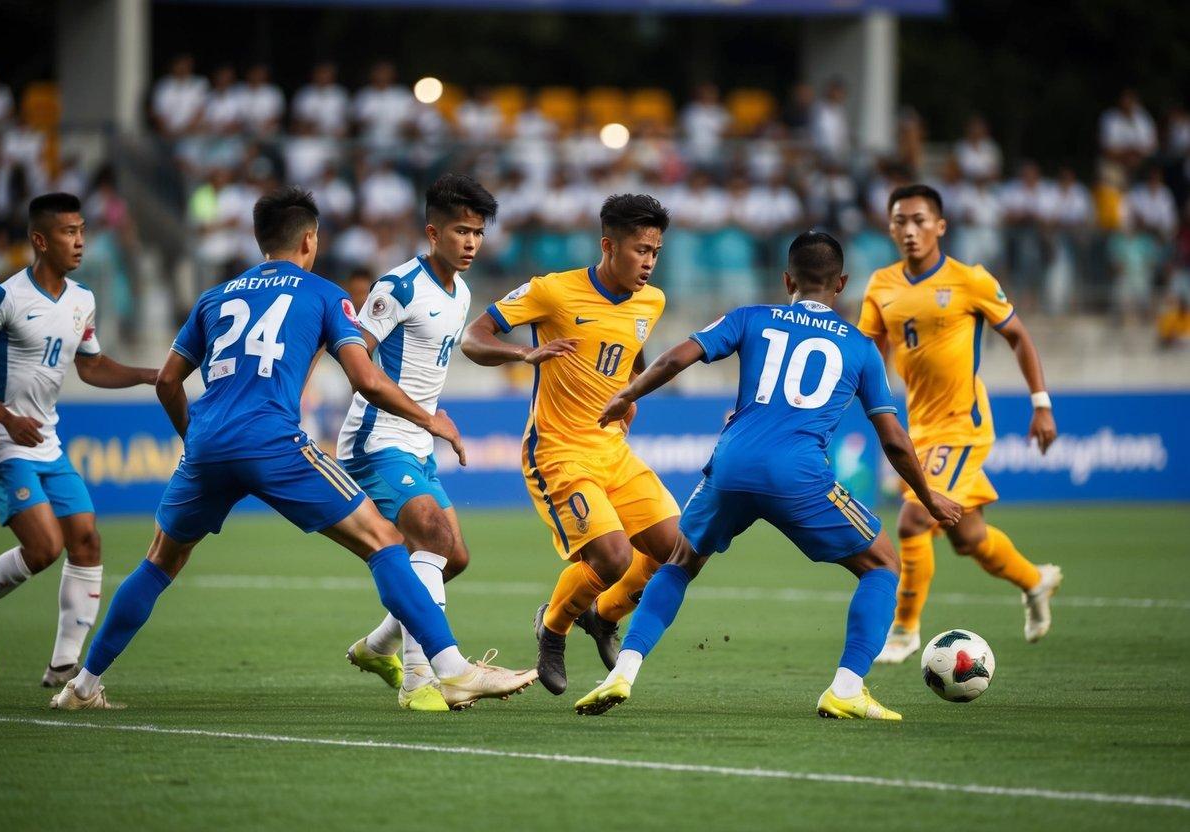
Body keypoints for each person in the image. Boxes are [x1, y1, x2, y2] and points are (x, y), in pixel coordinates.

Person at [48, 188, 537, 710]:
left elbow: (168, 381)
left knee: (158, 564)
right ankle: (448, 670)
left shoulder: (215, 297)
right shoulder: (326, 295)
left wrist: (193, 440)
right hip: (274, 441)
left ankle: (82, 686)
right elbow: (366, 380)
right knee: (383, 542)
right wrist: (431, 419)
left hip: (208, 441)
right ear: (310, 239)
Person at [574, 231, 962, 720]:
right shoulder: (862, 349)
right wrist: (929, 498)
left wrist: (627, 395)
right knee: (882, 563)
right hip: (798, 474)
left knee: (680, 560)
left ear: (786, 279)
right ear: (841, 283)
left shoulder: (751, 317)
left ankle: (622, 674)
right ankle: (846, 687)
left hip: (732, 463)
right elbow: (893, 439)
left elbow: (676, 357)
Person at [461, 194, 682, 697]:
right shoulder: (553, 292)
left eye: (656, 252)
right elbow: (474, 337)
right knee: (612, 557)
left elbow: (631, 348)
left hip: (612, 450)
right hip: (558, 451)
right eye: (640, 250)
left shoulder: (652, 300)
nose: (649, 262)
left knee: (675, 551)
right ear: (608, 245)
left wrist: (632, 392)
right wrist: (525, 351)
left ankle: (602, 617)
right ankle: (553, 629)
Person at [859, 184, 1062, 665]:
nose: (909, 231)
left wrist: (1042, 403)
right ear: (889, 228)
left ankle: (905, 630)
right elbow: (865, 356)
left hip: (963, 425)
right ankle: (1035, 581)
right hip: (919, 427)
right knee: (968, 539)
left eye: (919, 220)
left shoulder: (971, 280)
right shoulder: (881, 286)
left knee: (913, 516)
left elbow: (1018, 335)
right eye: (899, 222)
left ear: (940, 226)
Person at [0, 193, 158, 686]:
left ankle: (62, 667)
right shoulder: (3, 298)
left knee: (86, 540)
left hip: (48, 444)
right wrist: (5, 417)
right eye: (67, 232)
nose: (79, 241)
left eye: (82, 230)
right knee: (43, 549)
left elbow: (92, 365)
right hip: (3, 441)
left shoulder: (83, 300)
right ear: (40, 239)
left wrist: (148, 375)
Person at [337, 174, 496, 711]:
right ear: (433, 232)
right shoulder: (398, 286)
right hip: (376, 440)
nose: (471, 242)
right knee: (430, 535)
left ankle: (377, 646)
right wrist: (426, 419)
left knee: (455, 557)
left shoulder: (463, 292)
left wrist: (431, 418)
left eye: (477, 232)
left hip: (418, 442)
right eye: (461, 231)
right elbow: (356, 358)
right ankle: (418, 683)